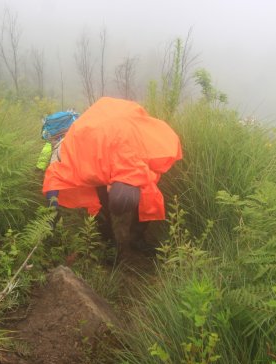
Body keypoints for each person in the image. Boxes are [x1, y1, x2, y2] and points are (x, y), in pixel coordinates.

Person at [42, 97, 182, 251]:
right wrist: (51, 214)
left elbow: (151, 200)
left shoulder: (142, 168)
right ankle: (108, 242)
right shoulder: (85, 160)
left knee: (149, 197)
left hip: (123, 124)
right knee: (99, 202)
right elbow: (54, 175)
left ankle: (136, 238)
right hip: (98, 127)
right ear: (109, 186)